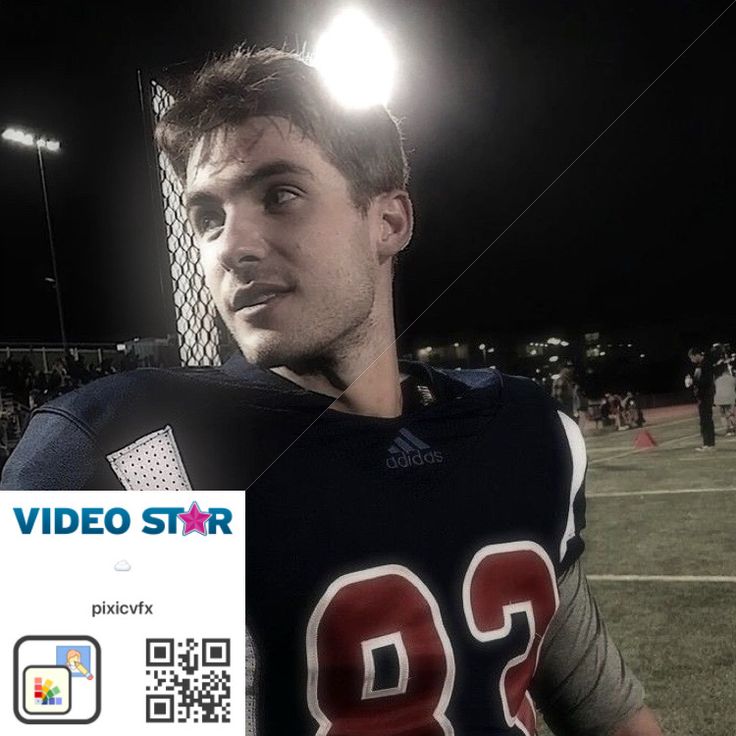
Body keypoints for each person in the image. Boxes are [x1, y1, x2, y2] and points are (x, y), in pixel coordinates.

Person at [2, 48, 662, 735]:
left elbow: (604, 708)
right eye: (207, 217)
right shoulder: (143, 458)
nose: (233, 245)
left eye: (279, 195)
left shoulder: (525, 431)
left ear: (390, 221)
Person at [687, 347, 716, 451]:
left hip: (706, 396)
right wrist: (691, 381)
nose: (691, 360)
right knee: (704, 420)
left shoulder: (706, 364)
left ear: (696, 355)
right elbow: (698, 380)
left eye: (691, 357)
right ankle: (708, 444)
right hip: (702, 396)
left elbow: (706, 381)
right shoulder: (699, 365)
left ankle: (709, 444)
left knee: (706, 420)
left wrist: (693, 382)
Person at [713, 362, 736, 436]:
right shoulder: (733, 379)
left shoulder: (717, 380)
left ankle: (728, 430)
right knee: (730, 414)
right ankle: (733, 428)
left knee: (723, 415)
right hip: (730, 398)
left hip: (719, 399)